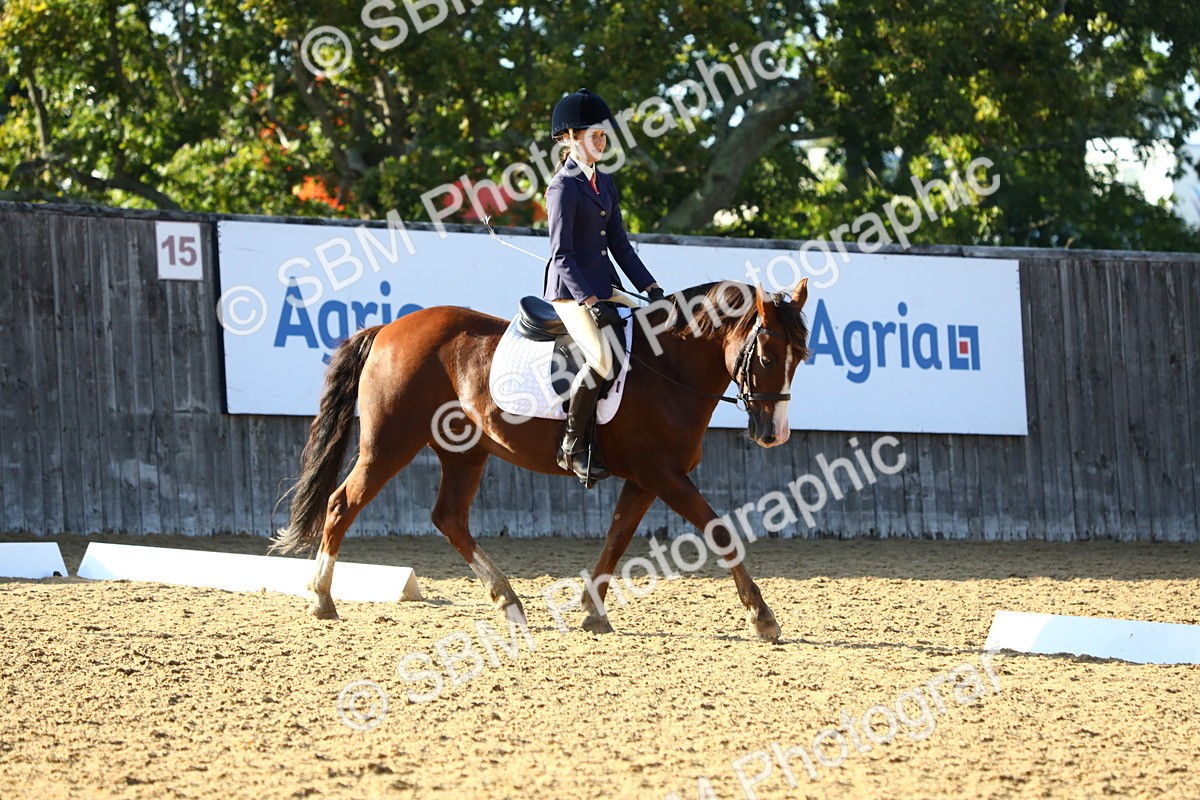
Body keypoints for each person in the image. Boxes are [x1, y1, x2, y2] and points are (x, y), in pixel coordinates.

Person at [543, 88, 666, 485]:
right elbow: (562, 255)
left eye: (604, 135)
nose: (602, 140)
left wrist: (650, 287)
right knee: (601, 358)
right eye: (594, 134)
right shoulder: (562, 188)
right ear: (569, 138)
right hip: (570, 291)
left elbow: (620, 247)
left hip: (604, 285)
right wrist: (590, 301)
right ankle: (572, 446)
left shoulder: (605, 184)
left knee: (653, 331)